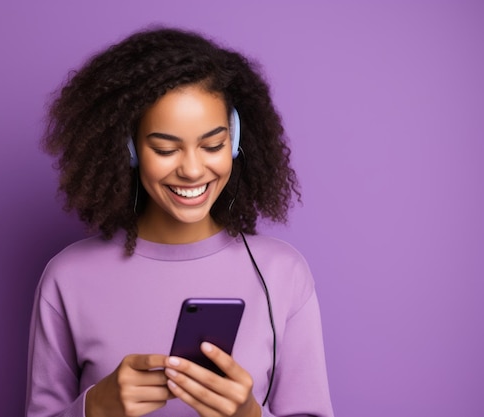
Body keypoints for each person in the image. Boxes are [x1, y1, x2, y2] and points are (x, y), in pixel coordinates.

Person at [26, 27, 334, 417]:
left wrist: (249, 416)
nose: (192, 169)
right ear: (129, 149)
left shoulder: (283, 274)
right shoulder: (68, 278)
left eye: (212, 145)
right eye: (165, 148)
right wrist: (95, 409)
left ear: (236, 140)